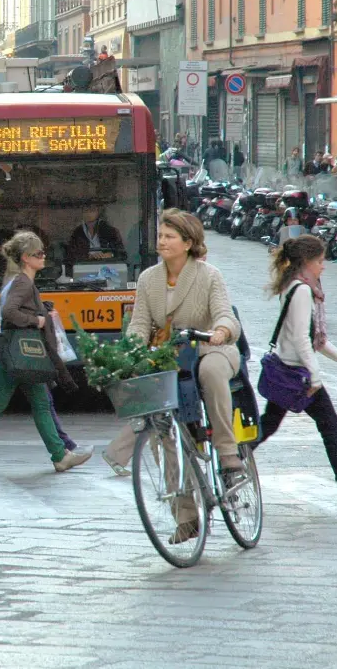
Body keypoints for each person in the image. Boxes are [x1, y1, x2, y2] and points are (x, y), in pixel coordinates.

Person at [108, 210, 244, 494]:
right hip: (170, 355)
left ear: (188, 243)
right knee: (157, 413)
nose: (162, 242)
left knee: (210, 372)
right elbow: (140, 323)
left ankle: (228, 454)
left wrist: (221, 331)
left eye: (169, 237)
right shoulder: (148, 279)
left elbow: (224, 314)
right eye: (160, 236)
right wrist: (133, 352)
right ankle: (183, 510)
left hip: (210, 349)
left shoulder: (209, 275)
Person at [254, 236, 337, 504]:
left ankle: (231, 456)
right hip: (297, 375)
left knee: (269, 424)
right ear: (307, 262)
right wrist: (315, 376)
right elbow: (303, 339)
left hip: (286, 371)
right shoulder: (302, 291)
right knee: (331, 427)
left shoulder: (292, 286)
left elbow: (314, 338)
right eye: (320, 261)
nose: (323, 267)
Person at [0, 232, 93, 475]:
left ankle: (60, 455)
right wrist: (37, 321)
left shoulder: (20, 281)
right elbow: (10, 312)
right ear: (25, 258)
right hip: (18, 355)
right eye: (38, 253)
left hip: (18, 354)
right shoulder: (23, 282)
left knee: (39, 403)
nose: (44, 257)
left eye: (43, 252)